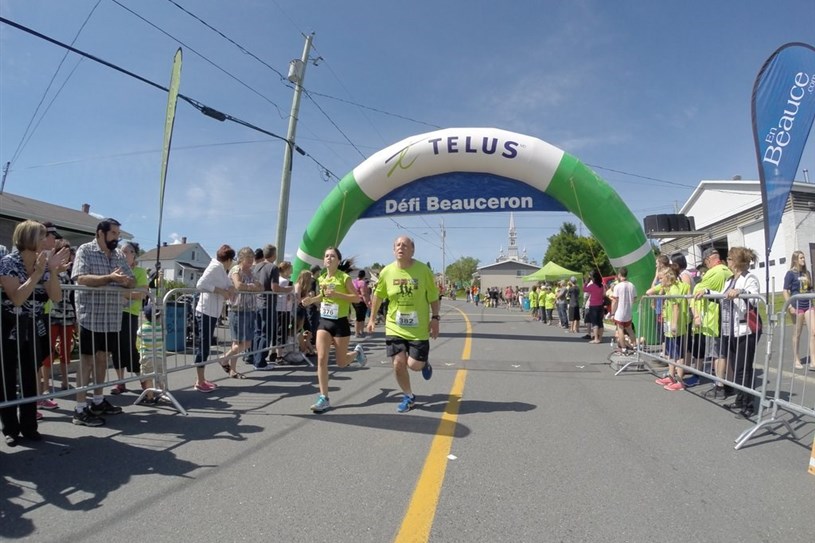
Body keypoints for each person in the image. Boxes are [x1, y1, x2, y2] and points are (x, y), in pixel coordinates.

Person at [0, 220, 69, 445]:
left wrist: (52, 271)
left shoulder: (43, 263)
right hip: (8, 327)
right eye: (42, 236)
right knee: (7, 378)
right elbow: (17, 298)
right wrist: (38, 273)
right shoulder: (9, 262)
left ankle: (29, 426)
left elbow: (56, 297)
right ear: (29, 238)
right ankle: (10, 428)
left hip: (32, 328)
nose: (47, 240)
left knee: (30, 376)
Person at [71, 218, 135, 426]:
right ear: (101, 233)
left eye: (118, 234)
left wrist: (126, 281)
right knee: (87, 361)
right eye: (114, 233)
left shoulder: (118, 255)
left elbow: (132, 280)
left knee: (102, 359)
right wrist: (110, 278)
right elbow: (81, 278)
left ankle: (98, 401)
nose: (117, 238)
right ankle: (80, 408)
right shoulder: (85, 250)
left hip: (111, 317)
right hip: (90, 316)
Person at [367, 236, 440, 413]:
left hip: (418, 328)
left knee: (414, 365)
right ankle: (408, 396)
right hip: (394, 325)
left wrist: (435, 318)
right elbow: (378, 296)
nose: (401, 248)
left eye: (405, 245)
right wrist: (372, 318)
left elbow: (433, 296)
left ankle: (424, 363)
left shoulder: (423, 270)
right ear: (394, 250)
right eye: (398, 245)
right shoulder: (386, 272)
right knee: (398, 364)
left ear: (412, 250)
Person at [300, 246, 365, 413]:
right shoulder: (322, 278)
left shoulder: (344, 278)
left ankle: (356, 353)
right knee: (321, 358)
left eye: (332, 256)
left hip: (340, 323)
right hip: (324, 322)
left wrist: (338, 295)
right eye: (327, 256)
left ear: (338, 260)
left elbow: (356, 298)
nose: (329, 258)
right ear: (324, 260)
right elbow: (323, 296)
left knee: (341, 362)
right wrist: (311, 300)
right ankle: (324, 397)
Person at [701, 247, 761, 417]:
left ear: (736, 262)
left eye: (729, 258)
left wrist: (740, 292)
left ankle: (748, 406)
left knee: (743, 369)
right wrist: (706, 292)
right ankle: (740, 400)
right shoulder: (730, 280)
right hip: (732, 329)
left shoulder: (749, 278)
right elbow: (722, 295)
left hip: (746, 330)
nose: (726, 261)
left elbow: (754, 298)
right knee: (735, 366)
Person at [193, 244, 236, 392]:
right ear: (229, 259)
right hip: (206, 311)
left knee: (205, 346)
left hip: (211, 312)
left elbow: (229, 284)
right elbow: (200, 284)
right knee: (203, 347)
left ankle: (201, 379)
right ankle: (199, 381)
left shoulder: (221, 269)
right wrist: (220, 291)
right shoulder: (215, 267)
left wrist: (230, 289)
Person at [693, 247, 734, 398]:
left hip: (714, 318)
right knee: (725, 353)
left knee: (717, 354)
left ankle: (719, 386)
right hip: (726, 316)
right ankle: (729, 384)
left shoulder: (713, 273)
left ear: (708, 260)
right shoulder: (727, 270)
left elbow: (697, 290)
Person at [110, 241, 148, 395]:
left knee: (130, 347)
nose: (124, 254)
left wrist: (120, 293)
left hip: (130, 314)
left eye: (128, 251)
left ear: (134, 255)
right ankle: (120, 382)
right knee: (116, 348)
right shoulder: (115, 270)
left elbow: (142, 294)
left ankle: (143, 381)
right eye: (122, 251)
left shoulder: (140, 272)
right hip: (114, 313)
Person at [40, 240, 76, 394]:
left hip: (67, 315)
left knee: (66, 350)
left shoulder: (70, 272)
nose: (66, 256)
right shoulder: (49, 270)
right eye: (63, 252)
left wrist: (75, 317)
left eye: (68, 253)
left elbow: (73, 296)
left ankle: (65, 382)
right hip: (52, 315)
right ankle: (46, 386)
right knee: (48, 351)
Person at [221, 247, 261, 379]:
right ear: (241, 258)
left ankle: (225, 360)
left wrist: (250, 287)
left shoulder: (252, 272)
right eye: (248, 258)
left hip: (250, 310)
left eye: (252, 258)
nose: (250, 260)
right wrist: (252, 287)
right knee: (238, 343)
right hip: (237, 310)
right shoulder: (236, 270)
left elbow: (260, 287)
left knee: (247, 343)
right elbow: (238, 285)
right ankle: (230, 367)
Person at [649, 267, 690, 390]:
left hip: (676, 325)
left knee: (678, 354)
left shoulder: (674, 289)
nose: (660, 280)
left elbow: (676, 307)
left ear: (667, 278)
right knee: (671, 353)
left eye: (661, 278)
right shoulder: (667, 288)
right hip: (669, 323)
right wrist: (660, 285)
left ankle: (680, 381)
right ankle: (671, 376)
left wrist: (674, 324)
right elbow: (649, 292)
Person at [782, 250, 814, 370]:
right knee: (797, 333)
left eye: (803, 257)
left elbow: (810, 289)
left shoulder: (807, 273)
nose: (803, 260)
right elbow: (785, 290)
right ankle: (796, 359)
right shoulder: (790, 274)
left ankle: (813, 360)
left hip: (808, 304)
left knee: (813, 331)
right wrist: (790, 306)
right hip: (797, 305)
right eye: (801, 258)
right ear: (795, 260)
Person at [136, 303, 164, 405]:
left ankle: (150, 398)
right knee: (159, 376)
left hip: (147, 357)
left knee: (148, 378)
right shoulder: (160, 328)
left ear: (145, 316)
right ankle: (163, 392)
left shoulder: (143, 327)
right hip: (159, 356)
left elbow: (138, 336)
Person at [611, 267, 637, 355]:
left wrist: (612, 313)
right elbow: (635, 299)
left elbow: (615, 301)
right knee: (629, 329)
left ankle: (623, 348)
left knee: (620, 329)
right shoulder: (632, 285)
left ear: (619, 275)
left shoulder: (617, 286)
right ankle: (635, 346)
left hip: (620, 311)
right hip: (628, 311)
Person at [584, 271, 606, 344]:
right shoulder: (601, 286)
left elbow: (585, 289)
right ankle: (600, 338)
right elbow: (603, 295)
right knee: (600, 322)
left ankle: (596, 338)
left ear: (594, 278)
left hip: (593, 305)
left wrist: (586, 282)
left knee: (594, 322)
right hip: (600, 305)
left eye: (591, 278)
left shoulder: (592, 286)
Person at [351, 269, 370, 338]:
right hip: (361, 301)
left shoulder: (353, 281)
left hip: (354, 300)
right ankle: (358, 332)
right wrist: (367, 303)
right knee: (360, 317)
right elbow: (364, 294)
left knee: (360, 317)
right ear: (364, 276)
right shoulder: (362, 283)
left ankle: (360, 331)